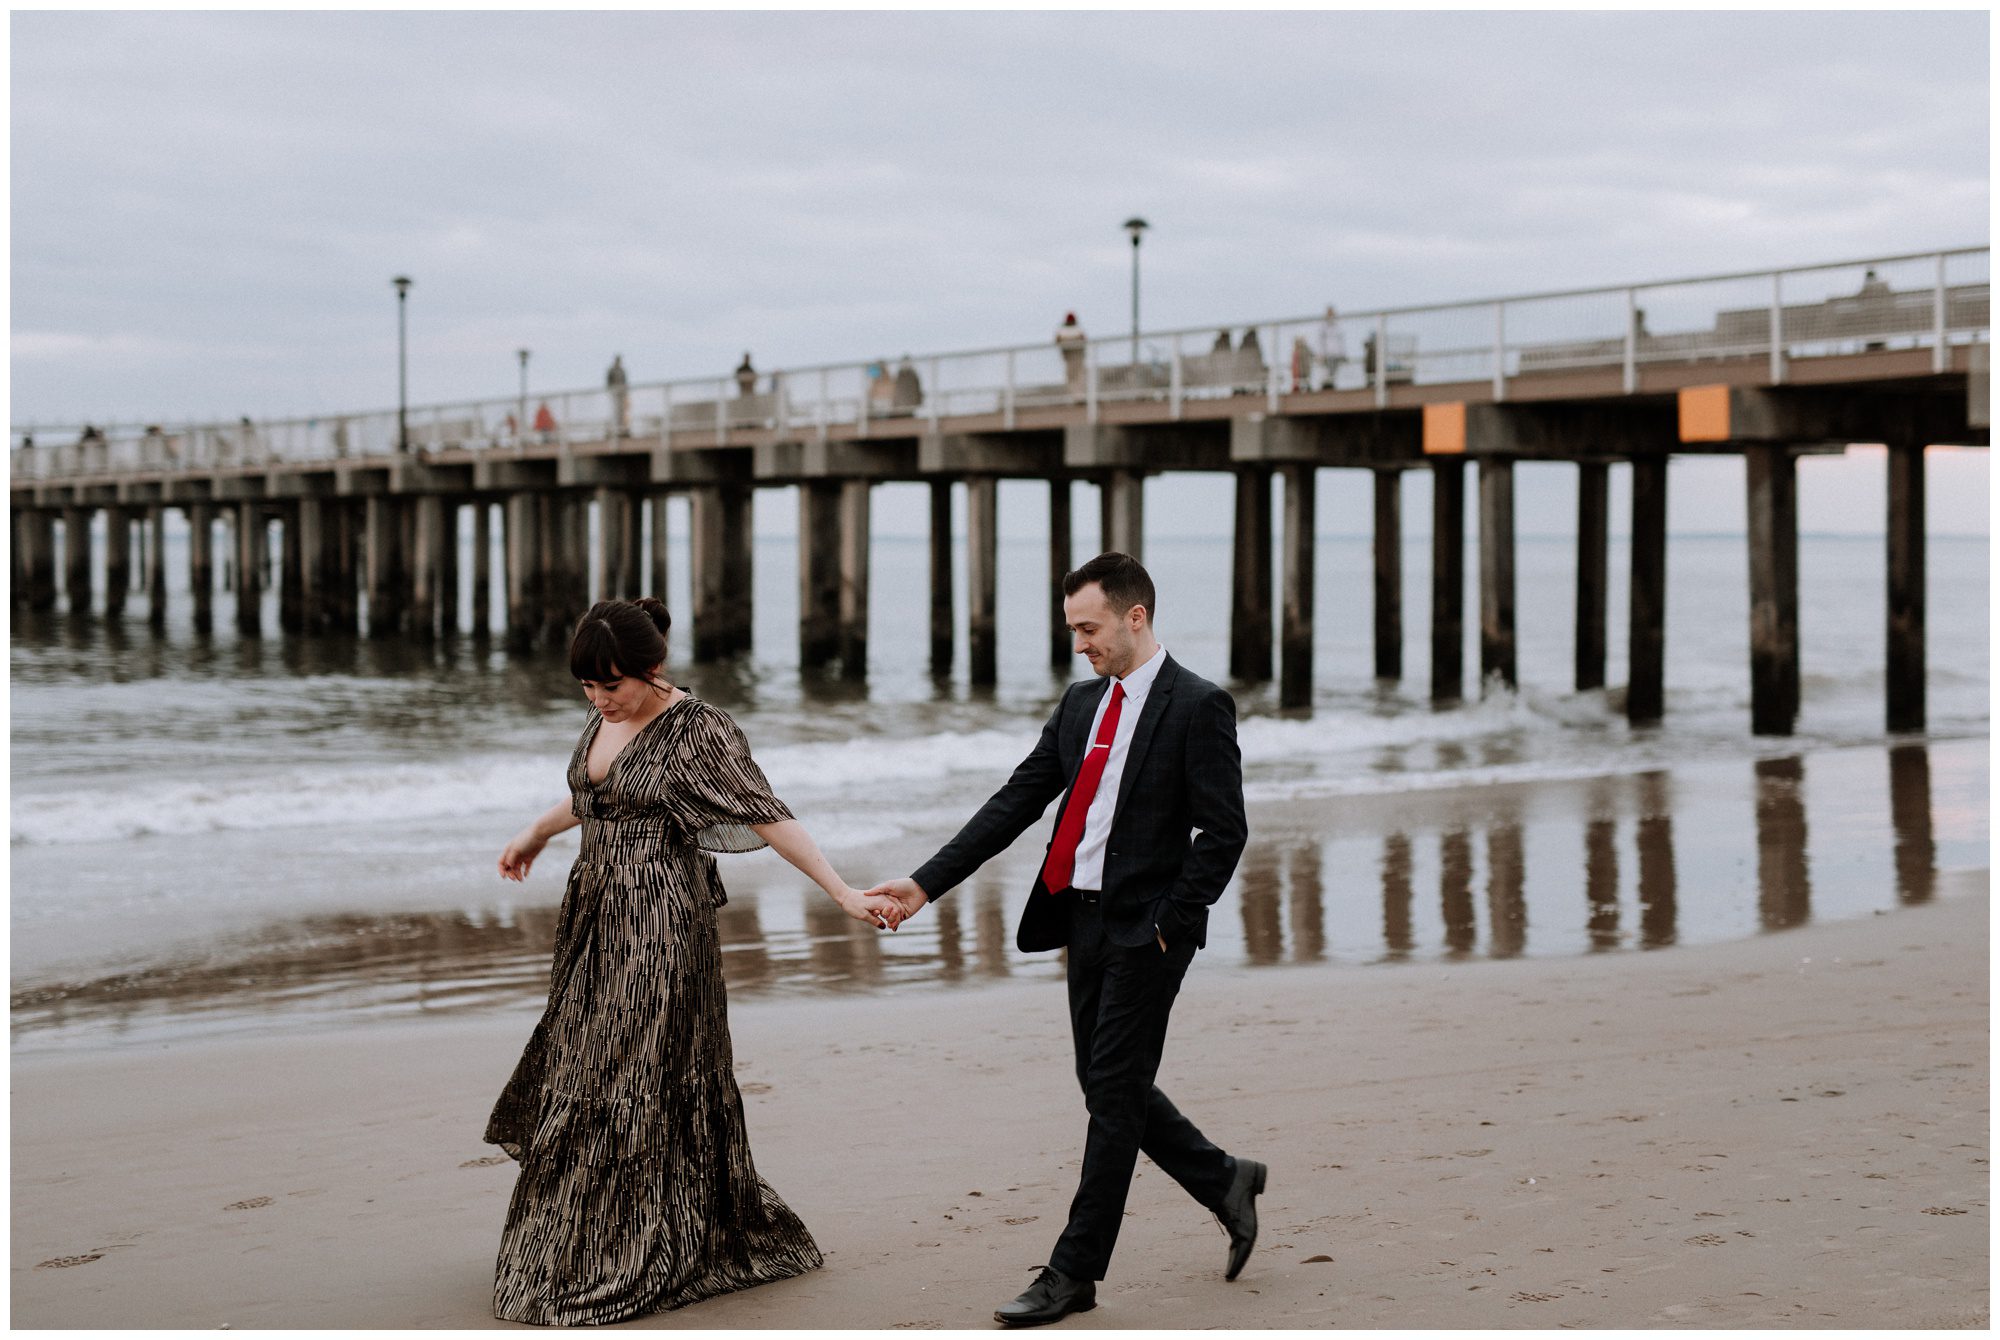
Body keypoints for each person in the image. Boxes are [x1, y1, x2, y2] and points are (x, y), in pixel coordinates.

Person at [866, 552, 1264, 1328]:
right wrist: (924, 884)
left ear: (1134, 616)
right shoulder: (1082, 704)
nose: (1080, 643)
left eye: (1089, 628)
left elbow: (1224, 833)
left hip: (1147, 932)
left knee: (1112, 1098)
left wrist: (1168, 925)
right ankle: (1224, 1178)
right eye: (1074, 630)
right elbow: (1014, 801)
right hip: (1078, 919)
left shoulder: (1197, 706)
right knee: (1105, 1084)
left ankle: (1074, 1274)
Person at [486, 597, 904, 1326]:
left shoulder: (697, 730)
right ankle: (588, 1237)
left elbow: (768, 815)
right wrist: (534, 833)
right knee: (583, 1062)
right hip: (593, 913)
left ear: (653, 670)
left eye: (611, 685)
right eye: (587, 687)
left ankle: (648, 1238)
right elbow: (593, 796)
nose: (599, 699)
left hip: (659, 923)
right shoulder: (609, 715)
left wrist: (839, 890)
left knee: (636, 1071)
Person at [606, 355, 630, 436]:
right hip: (614, 392)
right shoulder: (611, 370)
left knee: (622, 410)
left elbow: (625, 381)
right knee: (615, 409)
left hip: (622, 392)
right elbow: (608, 381)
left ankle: (621, 426)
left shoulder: (622, 370)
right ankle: (615, 426)